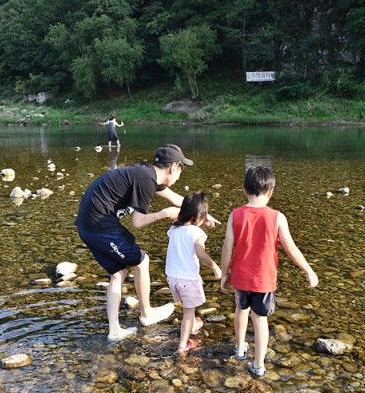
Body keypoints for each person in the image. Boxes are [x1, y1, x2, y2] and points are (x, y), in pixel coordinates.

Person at [76, 144, 219, 341]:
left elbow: (176, 198)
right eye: (181, 169)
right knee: (142, 261)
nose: (180, 175)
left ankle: (114, 330)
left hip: (91, 224)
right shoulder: (146, 180)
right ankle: (146, 314)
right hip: (98, 226)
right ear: (173, 167)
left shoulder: (147, 175)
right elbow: (138, 222)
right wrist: (165, 213)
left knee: (118, 273)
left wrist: (205, 215)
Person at [220, 166, 319, 377]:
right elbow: (290, 248)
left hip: (240, 277)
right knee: (260, 320)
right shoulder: (277, 217)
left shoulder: (235, 215)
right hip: (263, 280)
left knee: (241, 310)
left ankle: (239, 350)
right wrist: (308, 270)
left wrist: (224, 274)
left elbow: (227, 247)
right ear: (271, 191)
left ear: (244, 190)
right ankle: (258, 365)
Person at [165, 193, 222, 353]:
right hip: (187, 280)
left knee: (187, 304)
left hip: (172, 279)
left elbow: (186, 228)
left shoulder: (173, 229)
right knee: (188, 313)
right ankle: (183, 345)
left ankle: (194, 325)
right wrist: (215, 267)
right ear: (198, 217)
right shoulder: (196, 233)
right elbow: (200, 252)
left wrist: (202, 223)